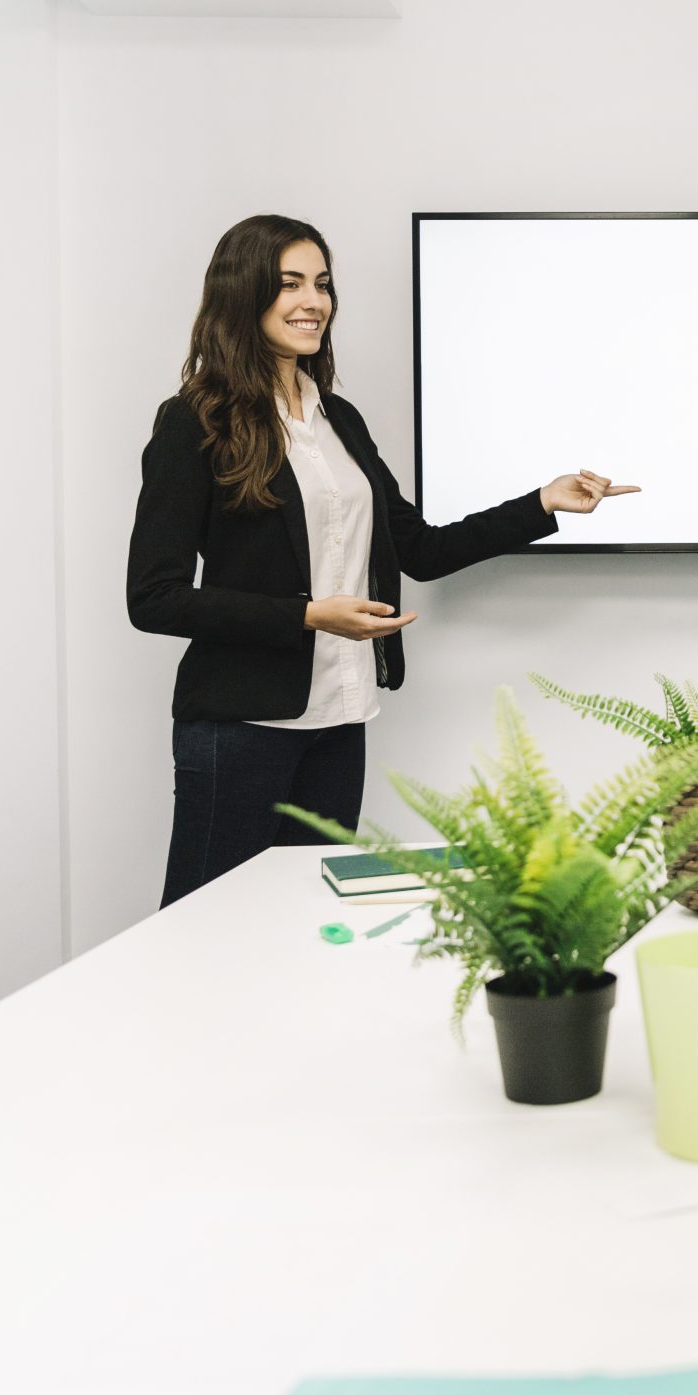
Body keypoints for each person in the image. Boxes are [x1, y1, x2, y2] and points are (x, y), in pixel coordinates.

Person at [129, 214, 635, 908]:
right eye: (290, 284)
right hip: (239, 730)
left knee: (306, 926)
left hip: (339, 721)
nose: (313, 301)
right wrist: (309, 615)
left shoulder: (339, 420)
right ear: (242, 293)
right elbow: (153, 597)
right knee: (206, 930)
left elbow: (419, 548)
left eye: (323, 285)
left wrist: (541, 502)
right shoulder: (195, 421)